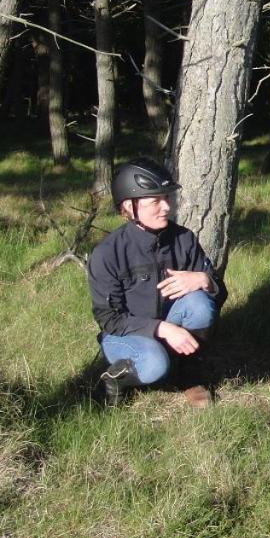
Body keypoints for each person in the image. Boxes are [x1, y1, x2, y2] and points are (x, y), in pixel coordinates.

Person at [88, 158, 227, 406]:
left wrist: (205, 280)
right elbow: (109, 319)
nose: (165, 207)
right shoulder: (107, 253)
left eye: (167, 198)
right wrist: (162, 329)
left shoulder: (184, 239)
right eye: (154, 201)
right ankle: (115, 380)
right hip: (124, 334)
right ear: (129, 208)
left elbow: (218, 297)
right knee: (154, 364)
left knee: (200, 305)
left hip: (168, 324)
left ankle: (188, 375)